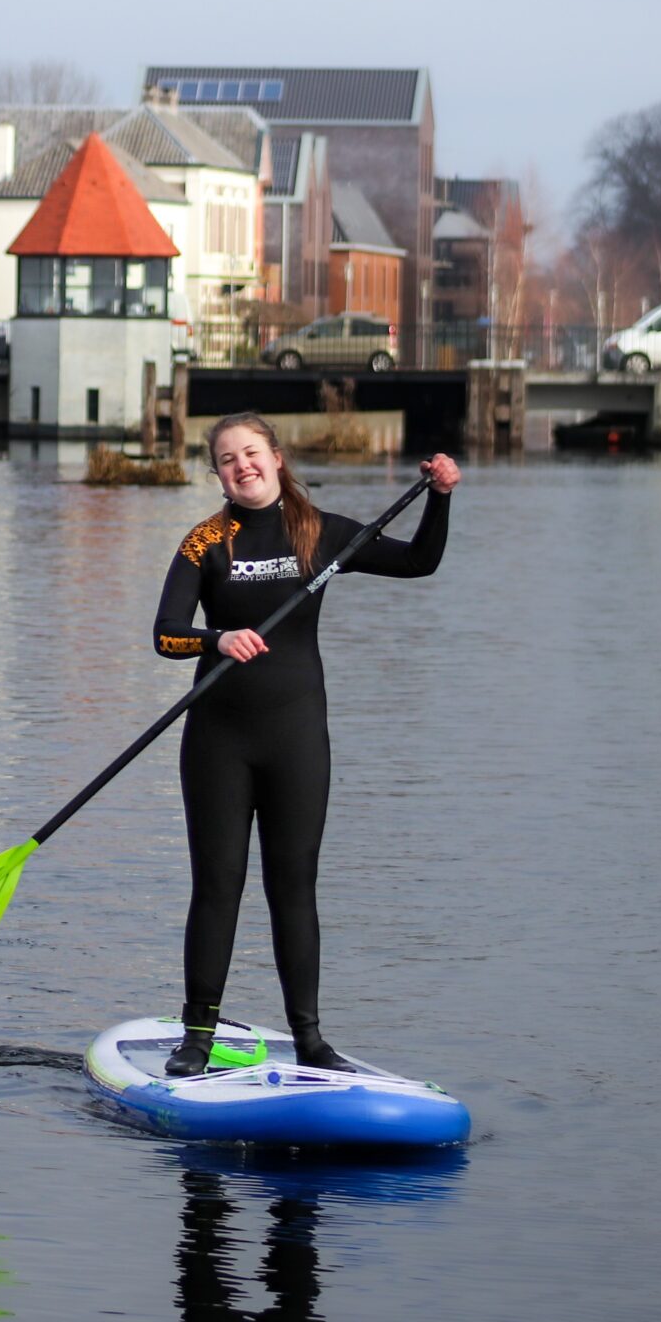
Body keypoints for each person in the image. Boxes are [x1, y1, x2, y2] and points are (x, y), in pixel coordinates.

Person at [149, 413, 459, 1077]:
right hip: (218, 742)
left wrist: (440, 497)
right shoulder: (206, 542)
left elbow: (417, 561)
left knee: (294, 888)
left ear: (277, 457)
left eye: (252, 453)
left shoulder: (319, 532)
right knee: (218, 886)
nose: (243, 466)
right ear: (218, 474)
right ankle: (197, 1037)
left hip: (295, 741)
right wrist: (217, 639)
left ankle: (311, 1040)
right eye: (228, 459)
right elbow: (167, 633)